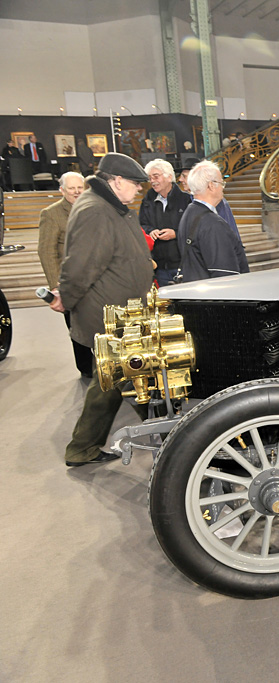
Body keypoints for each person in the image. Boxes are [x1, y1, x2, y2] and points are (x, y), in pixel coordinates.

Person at [49, 153, 154, 467]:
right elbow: (80, 265)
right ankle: (82, 448)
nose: (138, 190)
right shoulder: (96, 209)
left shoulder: (108, 205)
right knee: (110, 381)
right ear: (118, 180)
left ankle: (157, 431)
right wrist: (65, 297)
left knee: (122, 378)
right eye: (136, 184)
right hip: (109, 314)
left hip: (122, 312)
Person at [37, 171, 93, 378]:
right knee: (76, 327)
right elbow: (46, 251)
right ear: (62, 190)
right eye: (72, 188)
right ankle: (86, 368)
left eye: (80, 187)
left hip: (94, 281)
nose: (77, 192)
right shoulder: (51, 214)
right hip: (68, 282)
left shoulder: (92, 209)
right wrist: (56, 286)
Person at [178, 160, 249, 282]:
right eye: (222, 183)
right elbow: (225, 275)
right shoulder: (213, 223)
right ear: (211, 185)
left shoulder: (189, 212)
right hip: (215, 295)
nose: (222, 188)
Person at [139, 159, 190, 286]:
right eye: (150, 178)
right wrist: (151, 231)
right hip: (159, 266)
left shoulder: (186, 199)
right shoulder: (147, 201)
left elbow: (194, 229)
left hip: (182, 264)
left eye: (156, 176)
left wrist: (175, 234)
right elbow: (142, 225)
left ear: (169, 177)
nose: (152, 181)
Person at [179, 157, 241, 238]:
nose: (180, 179)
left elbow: (228, 233)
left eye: (184, 176)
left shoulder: (217, 201)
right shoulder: (188, 198)